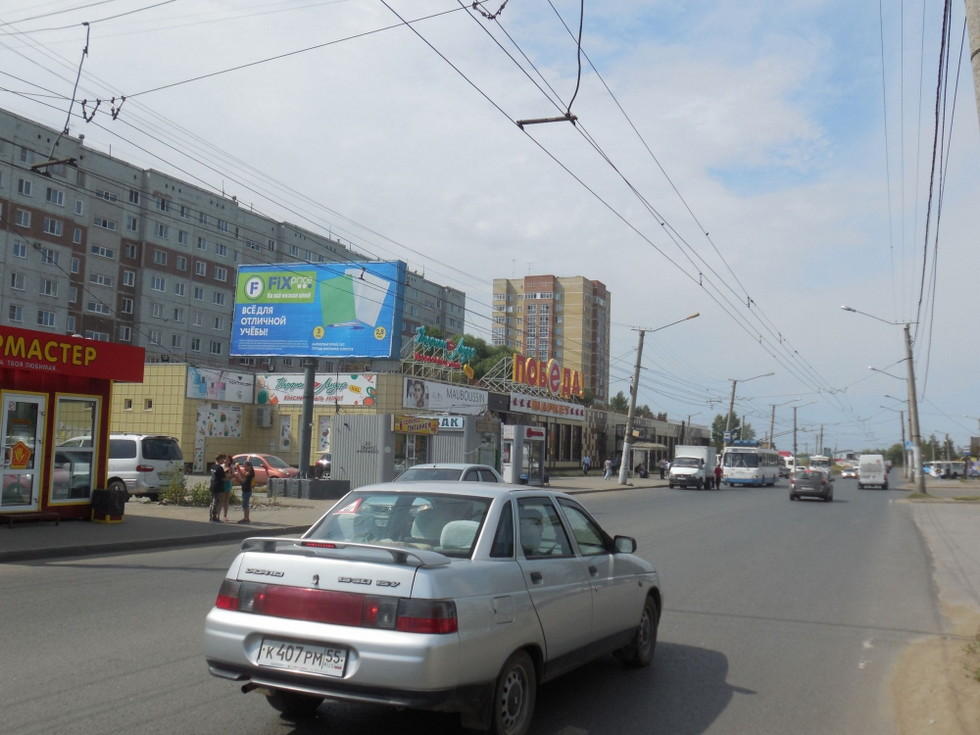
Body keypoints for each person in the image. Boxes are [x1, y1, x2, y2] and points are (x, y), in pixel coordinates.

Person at [209, 454, 227, 522]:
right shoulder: (220, 468)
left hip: (213, 485)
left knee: (213, 501)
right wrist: (230, 478)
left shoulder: (212, 466)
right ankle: (214, 517)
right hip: (218, 486)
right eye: (223, 459)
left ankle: (211, 516)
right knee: (217, 502)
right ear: (219, 459)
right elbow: (223, 478)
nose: (224, 460)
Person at [220, 456, 233, 520]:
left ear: (230, 461)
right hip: (222, 484)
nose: (226, 460)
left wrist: (229, 476)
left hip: (228, 483)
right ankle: (218, 514)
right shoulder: (221, 466)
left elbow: (233, 475)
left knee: (226, 500)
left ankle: (225, 515)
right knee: (221, 499)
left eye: (228, 460)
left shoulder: (231, 467)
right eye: (225, 459)